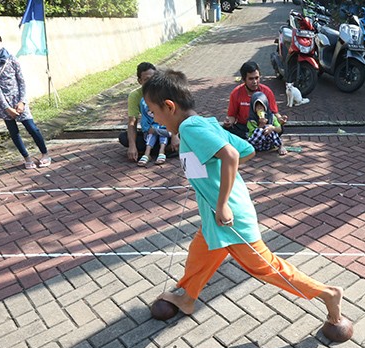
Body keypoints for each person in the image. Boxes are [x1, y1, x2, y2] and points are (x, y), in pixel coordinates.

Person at [142, 69, 347, 332]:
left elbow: (231, 155)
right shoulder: (206, 123)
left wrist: (223, 201)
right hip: (215, 217)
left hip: (229, 218)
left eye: (153, 111)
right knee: (200, 252)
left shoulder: (190, 128)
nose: (153, 118)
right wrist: (214, 180)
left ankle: (328, 294)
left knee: (266, 268)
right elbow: (246, 150)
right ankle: (187, 297)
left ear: (169, 107)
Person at [0, 25, 49, 169]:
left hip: (18, 99)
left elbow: (21, 81)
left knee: (32, 128)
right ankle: (27, 158)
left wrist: (22, 101)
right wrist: (7, 108)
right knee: (14, 132)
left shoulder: (11, 58)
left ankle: (45, 154)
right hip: (3, 103)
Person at [118, 62, 179, 162]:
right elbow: (132, 122)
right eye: (146, 80)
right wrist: (132, 146)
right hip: (150, 132)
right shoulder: (135, 96)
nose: (151, 82)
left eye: (153, 78)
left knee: (185, 134)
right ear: (139, 81)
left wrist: (175, 136)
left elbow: (175, 115)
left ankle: (152, 151)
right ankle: (164, 150)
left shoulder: (165, 91)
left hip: (168, 130)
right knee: (124, 138)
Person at [224, 61, 287, 139]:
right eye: (251, 79)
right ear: (244, 79)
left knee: (281, 129)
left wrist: (280, 119)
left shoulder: (267, 91)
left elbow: (274, 113)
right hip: (245, 126)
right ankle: (251, 137)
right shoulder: (236, 93)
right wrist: (228, 122)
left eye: (257, 78)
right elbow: (232, 116)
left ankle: (251, 137)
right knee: (226, 129)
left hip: (264, 127)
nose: (254, 82)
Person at [138, 96, 170, 166]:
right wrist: (147, 128)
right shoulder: (143, 101)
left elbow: (170, 133)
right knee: (151, 134)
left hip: (164, 130)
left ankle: (162, 151)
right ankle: (147, 153)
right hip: (152, 129)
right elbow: (145, 125)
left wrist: (156, 131)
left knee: (163, 133)